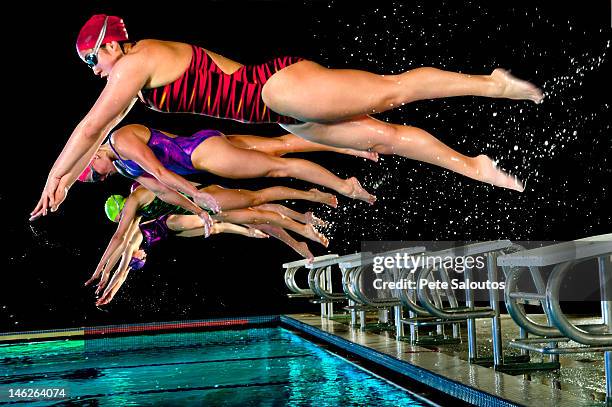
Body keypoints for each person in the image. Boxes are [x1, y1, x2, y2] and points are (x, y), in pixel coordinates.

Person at [32, 14, 542, 219]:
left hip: (277, 88)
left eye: (93, 60)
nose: (95, 71)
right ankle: (473, 165)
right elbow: (95, 129)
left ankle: (491, 83)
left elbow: (92, 126)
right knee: (384, 138)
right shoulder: (135, 74)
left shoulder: (137, 61)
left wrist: (57, 178)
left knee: (390, 92)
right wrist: (66, 179)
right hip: (275, 113)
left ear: (111, 44)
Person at [87, 181, 333, 295]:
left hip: (204, 197)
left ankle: (307, 205)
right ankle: (302, 221)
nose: (123, 221)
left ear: (121, 209)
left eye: (120, 217)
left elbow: (120, 241)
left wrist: (101, 272)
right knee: (256, 214)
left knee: (258, 206)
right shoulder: (138, 218)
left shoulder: (138, 198)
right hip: (199, 209)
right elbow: (122, 252)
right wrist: (108, 279)